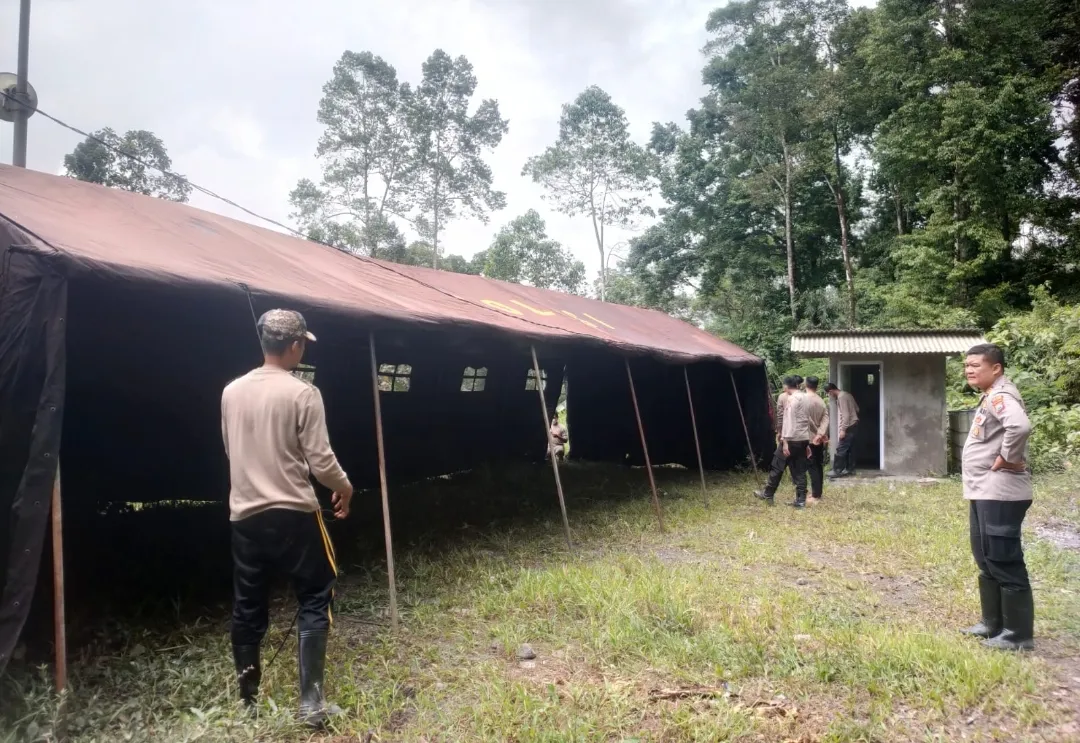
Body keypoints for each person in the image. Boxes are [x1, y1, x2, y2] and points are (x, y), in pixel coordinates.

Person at [221, 309, 354, 725]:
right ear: (295, 346)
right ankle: (311, 704)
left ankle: (248, 704)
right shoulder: (303, 393)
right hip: (295, 512)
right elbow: (321, 461)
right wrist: (345, 488)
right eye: (303, 345)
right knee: (315, 594)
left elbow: (232, 450)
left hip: (244, 515)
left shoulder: (231, 391)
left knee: (248, 604)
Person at [959, 343, 1034, 651]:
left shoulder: (1001, 396)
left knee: (1004, 560)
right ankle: (993, 624)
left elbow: (1019, 426)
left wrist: (1006, 458)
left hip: (1001, 491)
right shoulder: (991, 395)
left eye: (976, 365)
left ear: (996, 369)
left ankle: (1018, 635)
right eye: (967, 365)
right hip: (984, 491)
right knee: (985, 557)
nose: (969, 370)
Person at [755, 375, 811, 508]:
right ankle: (801, 500)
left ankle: (768, 494)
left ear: (786, 386)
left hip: (791, 439)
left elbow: (788, 421)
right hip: (803, 438)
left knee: (777, 464)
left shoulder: (792, 399)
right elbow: (807, 420)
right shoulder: (806, 397)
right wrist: (807, 443)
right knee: (800, 469)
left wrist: (784, 441)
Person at [804, 377, 829, 504]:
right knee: (818, 465)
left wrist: (816, 433)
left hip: (808, 437)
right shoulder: (821, 401)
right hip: (818, 439)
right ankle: (818, 493)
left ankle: (815, 495)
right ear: (817, 386)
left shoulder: (802, 399)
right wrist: (821, 434)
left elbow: (806, 418)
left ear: (805, 384)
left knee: (812, 465)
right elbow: (826, 419)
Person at [825, 382, 860, 478]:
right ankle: (850, 469)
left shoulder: (841, 397)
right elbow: (857, 409)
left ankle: (837, 470)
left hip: (848, 427)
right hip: (854, 425)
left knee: (841, 448)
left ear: (831, 391)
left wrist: (843, 429)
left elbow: (846, 415)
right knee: (851, 449)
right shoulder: (848, 395)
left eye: (828, 394)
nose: (829, 396)